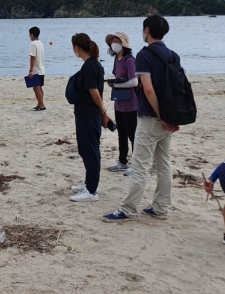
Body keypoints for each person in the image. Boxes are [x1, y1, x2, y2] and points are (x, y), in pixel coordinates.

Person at [103, 16, 180, 222]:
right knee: (163, 162)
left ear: (147, 30)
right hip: (169, 116)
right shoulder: (172, 55)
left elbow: (147, 88)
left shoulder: (145, 55)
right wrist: (169, 116)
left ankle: (128, 209)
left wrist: (160, 115)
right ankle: (161, 207)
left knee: (139, 163)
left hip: (150, 116)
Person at [66, 34, 112, 202]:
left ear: (77, 48)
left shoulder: (90, 66)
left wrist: (103, 112)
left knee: (90, 151)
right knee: (85, 150)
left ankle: (91, 191)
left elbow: (94, 92)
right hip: (85, 113)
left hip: (89, 114)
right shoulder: (92, 64)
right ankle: (88, 182)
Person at [105, 32, 139, 175]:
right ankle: (122, 161)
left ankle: (137, 165)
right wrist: (111, 81)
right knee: (121, 133)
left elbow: (134, 81)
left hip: (131, 104)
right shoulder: (117, 59)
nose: (114, 44)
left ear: (123, 43)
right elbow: (116, 75)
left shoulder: (129, 60)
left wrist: (116, 85)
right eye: (112, 41)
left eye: (117, 41)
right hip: (119, 103)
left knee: (132, 134)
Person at [28, 27, 46, 111]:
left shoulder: (33, 44)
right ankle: (40, 103)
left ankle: (41, 104)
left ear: (31, 34)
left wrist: (30, 70)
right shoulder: (40, 43)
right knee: (39, 87)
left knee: (36, 88)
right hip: (41, 69)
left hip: (36, 70)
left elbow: (33, 57)